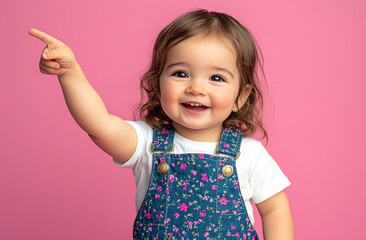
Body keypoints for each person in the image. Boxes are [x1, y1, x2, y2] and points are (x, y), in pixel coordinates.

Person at [29, 9, 293, 240]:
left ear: (241, 96)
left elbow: (275, 209)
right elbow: (99, 126)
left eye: (216, 78)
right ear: (157, 83)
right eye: (181, 73)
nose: (196, 87)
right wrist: (70, 73)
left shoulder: (250, 154)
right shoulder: (147, 143)